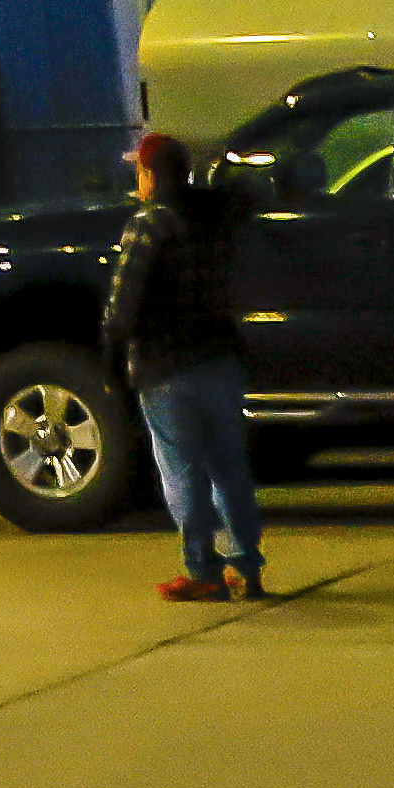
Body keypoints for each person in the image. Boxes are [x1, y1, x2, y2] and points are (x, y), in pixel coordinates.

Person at [98, 137, 269, 600]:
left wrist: (111, 354)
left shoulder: (149, 225)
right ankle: (245, 567)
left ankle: (202, 571)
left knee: (182, 471)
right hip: (220, 359)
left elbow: (123, 302)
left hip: (165, 366)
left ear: (152, 176)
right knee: (228, 466)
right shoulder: (217, 218)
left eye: (140, 172)